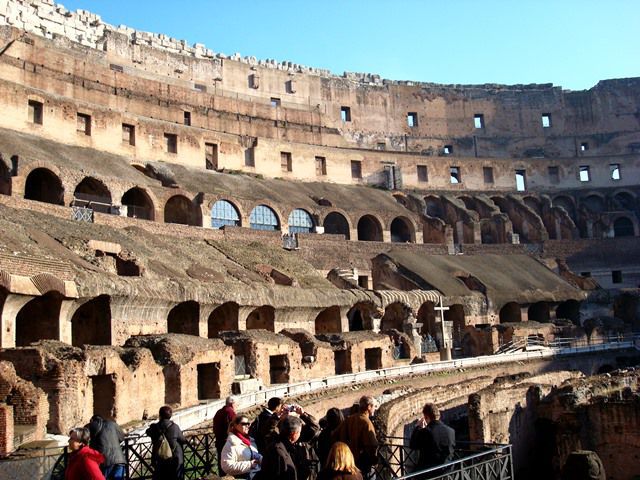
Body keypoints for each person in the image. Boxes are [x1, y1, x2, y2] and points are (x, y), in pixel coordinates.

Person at [336, 396, 378, 475]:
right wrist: (374, 461)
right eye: (374, 406)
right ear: (369, 407)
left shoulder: (349, 419)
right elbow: (372, 445)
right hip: (364, 464)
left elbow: (336, 434)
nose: (375, 409)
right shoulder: (366, 423)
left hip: (348, 460)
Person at [409, 403, 455, 473]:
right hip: (447, 471)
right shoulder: (451, 431)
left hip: (429, 472)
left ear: (426, 417)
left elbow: (413, 445)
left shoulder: (426, 432)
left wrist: (418, 427)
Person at [146, 405, 188, 480]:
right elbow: (183, 440)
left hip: (159, 459)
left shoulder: (154, 427)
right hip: (173, 459)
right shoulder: (175, 427)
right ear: (170, 416)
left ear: (160, 415)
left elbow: (148, 432)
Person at [261, 415, 303, 480]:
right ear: (294, 434)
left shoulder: (281, 444)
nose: (300, 434)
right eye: (299, 432)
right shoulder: (278, 452)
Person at [220, 415, 262, 479]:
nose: (247, 426)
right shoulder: (231, 444)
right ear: (236, 425)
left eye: (248, 423)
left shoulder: (250, 441)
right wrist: (249, 464)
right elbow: (226, 466)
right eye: (244, 424)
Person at [86, 415, 126, 480]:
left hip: (105, 461)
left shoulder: (91, 426)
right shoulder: (112, 424)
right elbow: (122, 438)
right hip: (119, 459)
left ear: (92, 420)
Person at [214, 396, 237, 473]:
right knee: (230, 463)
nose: (236, 406)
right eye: (236, 404)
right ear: (232, 404)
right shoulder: (230, 412)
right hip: (227, 442)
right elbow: (235, 428)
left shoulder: (218, 412)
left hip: (219, 441)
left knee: (221, 463)